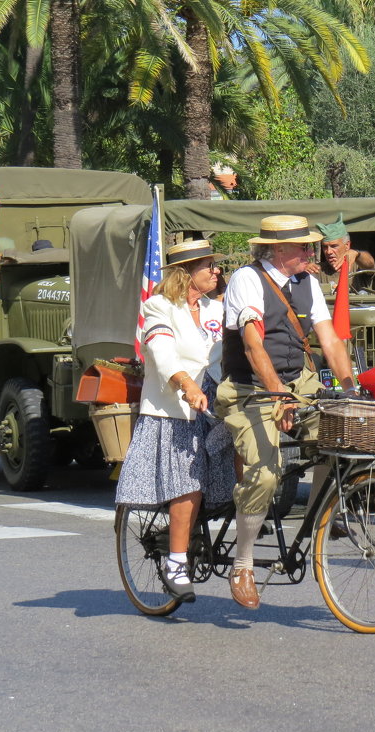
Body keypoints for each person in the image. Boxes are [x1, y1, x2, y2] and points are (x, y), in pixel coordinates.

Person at [216, 215, 356, 610]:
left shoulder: (306, 282)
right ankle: (242, 564)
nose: (312, 253)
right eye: (303, 247)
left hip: (300, 382)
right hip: (250, 388)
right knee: (264, 471)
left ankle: (316, 527)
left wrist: (350, 389)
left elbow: (328, 338)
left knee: (344, 435)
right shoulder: (247, 280)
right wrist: (278, 394)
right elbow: (252, 345)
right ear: (278, 250)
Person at [115, 239, 234, 603]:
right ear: (186, 273)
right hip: (176, 410)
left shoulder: (219, 309)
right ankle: (176, 562)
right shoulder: (158, 307)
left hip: (218, 407)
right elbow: (163, 353)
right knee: (189, 482)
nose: (217, 271)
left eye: (216, 265)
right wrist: (186, 386)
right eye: (208, 265)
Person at [317, 213, 375, 293]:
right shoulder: (319, 270)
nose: (328, 252)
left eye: (334, 246)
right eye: (325, 247)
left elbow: (370, 264)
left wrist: (357, 254)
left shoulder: (358, 266)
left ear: (347, 245)